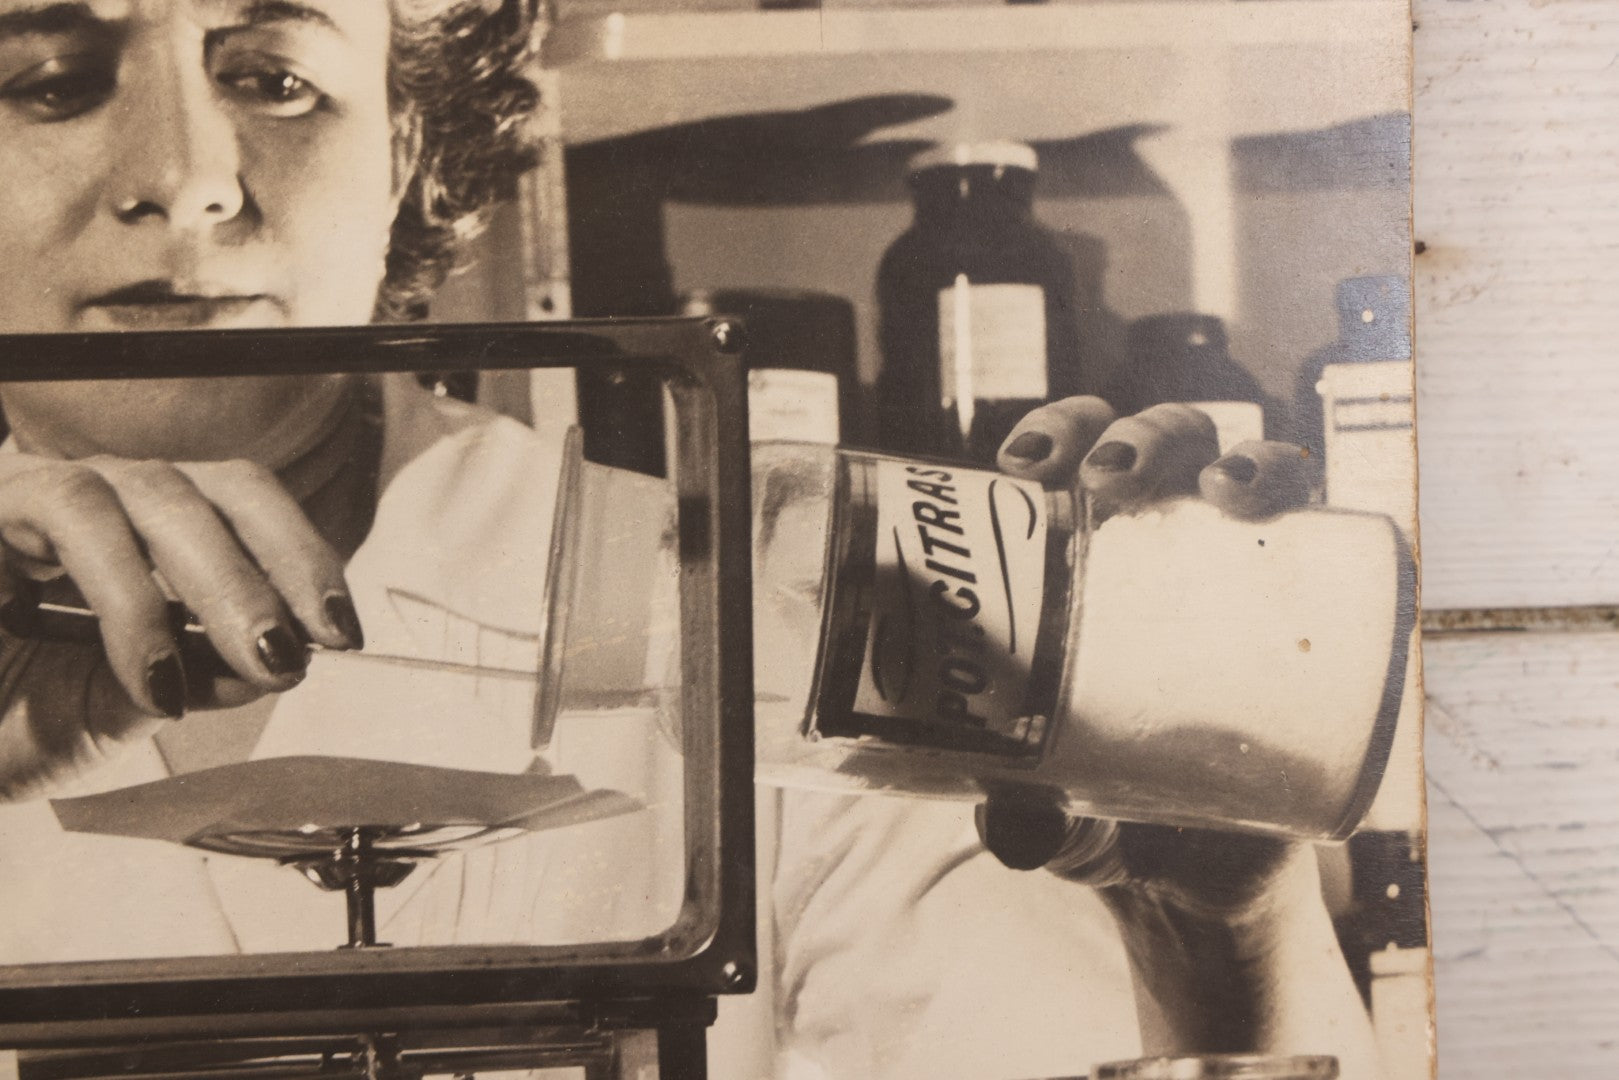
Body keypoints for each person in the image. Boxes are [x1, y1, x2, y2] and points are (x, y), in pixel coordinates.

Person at [0, 2, 1384, 1077]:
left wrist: (1219, 932)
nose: (185, 181)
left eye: (273, 75)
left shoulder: (800, 623)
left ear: (405, 146)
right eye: (50, 78)